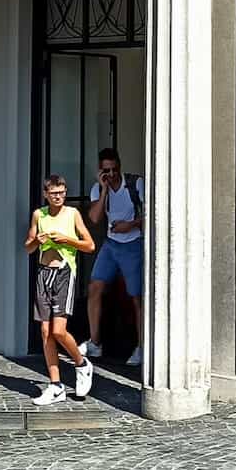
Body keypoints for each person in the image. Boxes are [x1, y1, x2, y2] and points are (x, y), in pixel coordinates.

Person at [23, 176, 97, 405]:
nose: (59, 197)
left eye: (62, 193)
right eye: (55, 193)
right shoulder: (39, 215)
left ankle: (81, 363)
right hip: (44, 273)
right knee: (45, 332)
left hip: (65, 273)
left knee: (58, 330)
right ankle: (56, 385)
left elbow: (90, 245)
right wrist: (37, 240)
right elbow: (27, 247)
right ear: (46, 194)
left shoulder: (72, 214)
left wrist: (66, 239)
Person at [82, 147, 144, 367]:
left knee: (137, 297)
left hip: (133, 244)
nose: (112, 174)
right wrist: (104, 190)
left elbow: (152, 215)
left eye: (114, 169)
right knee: (95, 287)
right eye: (106, 170)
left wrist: (131, 225)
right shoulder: (98, 189)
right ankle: (95, 342)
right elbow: (95, 218)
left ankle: (142, 346)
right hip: (111, 244)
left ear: (120, 166)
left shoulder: (136, 184)